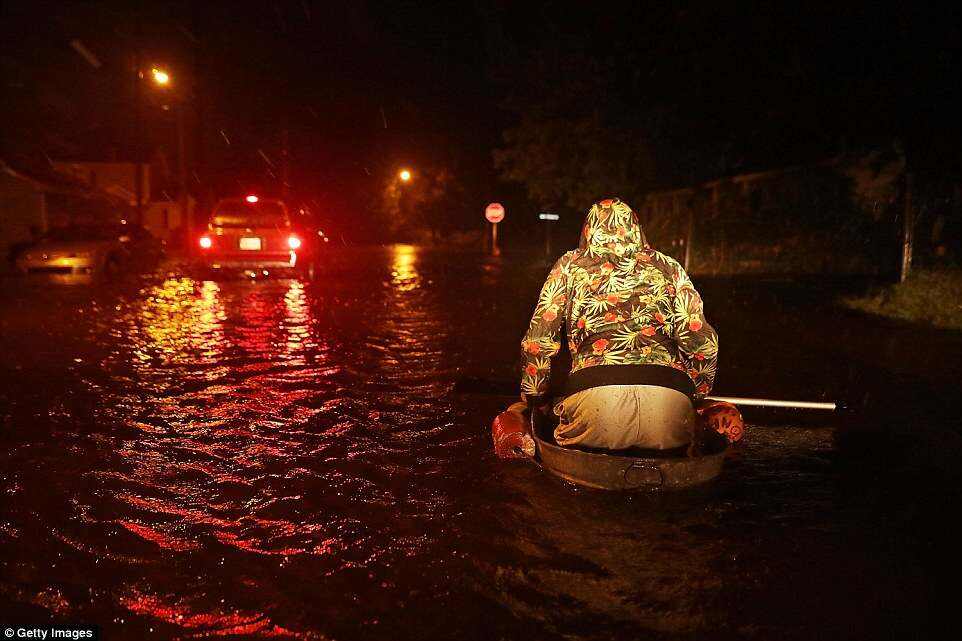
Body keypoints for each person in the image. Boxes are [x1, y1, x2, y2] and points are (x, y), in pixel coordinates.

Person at [519, 198, 718, 451]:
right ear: (637, 228)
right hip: (669, 399)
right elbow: (703, 343)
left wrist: (538, 397)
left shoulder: (568, 266)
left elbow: (537, 342)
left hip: (594, 398)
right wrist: (696, 395)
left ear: (588, 230)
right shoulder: (669, 267)